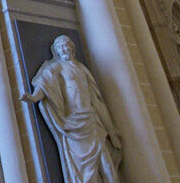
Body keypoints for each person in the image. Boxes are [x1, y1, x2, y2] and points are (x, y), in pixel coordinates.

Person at [21, 35, 122, 183]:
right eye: (59, 47)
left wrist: (111, 131)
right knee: (86, 174)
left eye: (65, 45)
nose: (63, 49)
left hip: (92, 121)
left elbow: (97, 101)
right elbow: (44, 82)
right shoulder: (57, 67)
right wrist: (34, 97)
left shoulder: (83, 69)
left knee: (108, 167)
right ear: (56, 51)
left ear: (72, 47)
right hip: (74, 126)